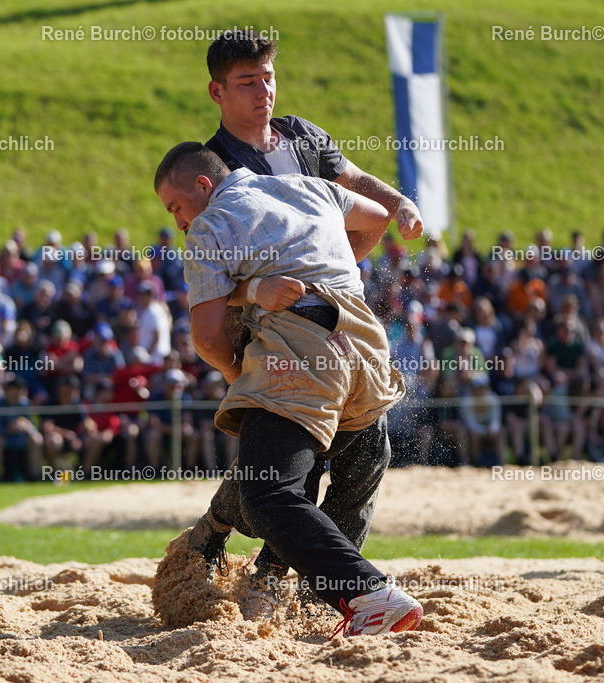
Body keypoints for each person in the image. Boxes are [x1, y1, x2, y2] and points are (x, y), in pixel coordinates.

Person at [154, 142, 422, 636]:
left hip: (299, 351)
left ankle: (369, 594)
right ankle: (322, 604)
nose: (178, 221)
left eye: (176, 207)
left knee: (268, 492)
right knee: (353, 471)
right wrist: (327, 277)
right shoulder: (309, 187)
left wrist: (242, 378)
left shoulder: (212, 226)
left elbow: (208, 337)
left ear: (204, 186)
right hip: (366, 343)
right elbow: (377, 218)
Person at [197, 29, 424, 608]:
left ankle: (295, 585)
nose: (263, 91)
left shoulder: (300, 134)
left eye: (268, 77)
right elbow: (208, 277)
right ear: (217, 92)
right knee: (286, 468)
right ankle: (229, 548)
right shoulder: (214, 168)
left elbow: (354, 183)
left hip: (338, 320)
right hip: (272, 329)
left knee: (360, 459)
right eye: (248, 82)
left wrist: (397, 203)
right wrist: (258, 293)